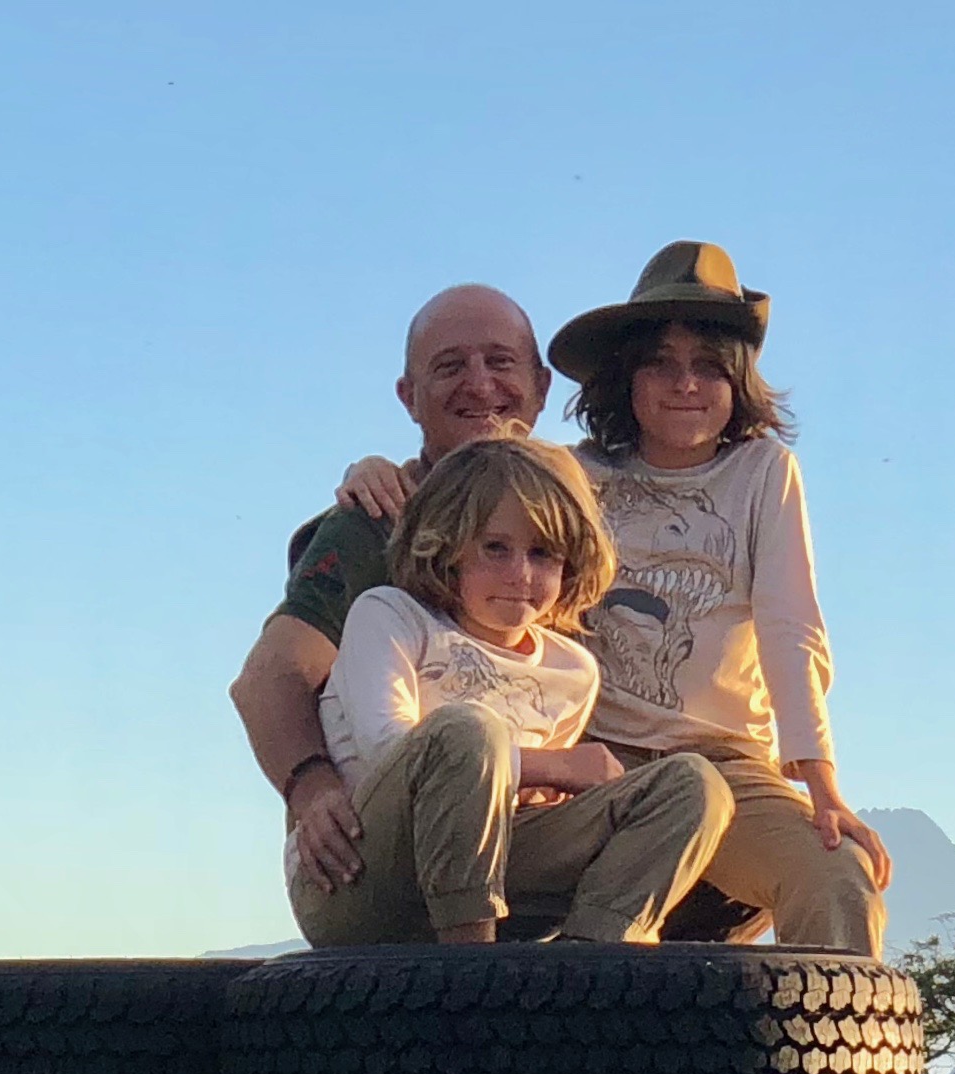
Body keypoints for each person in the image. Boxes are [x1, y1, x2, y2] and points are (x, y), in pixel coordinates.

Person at [337, 244, 890, 955]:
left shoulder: (763, 472)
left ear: (738, 379)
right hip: (590, 754)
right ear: (625, 376)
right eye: (660, 363)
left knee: (837, 876)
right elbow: (475, 486)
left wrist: (821, 785)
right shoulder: (574, 470)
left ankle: (835, 1031)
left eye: (708, 366)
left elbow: (792, 628)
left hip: (721, 759)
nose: (684, 384)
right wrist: (374, 468)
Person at [292, 437, 730, 948]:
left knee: (694, 783)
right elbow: (386, 747)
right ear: (447, 547)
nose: (520, 575)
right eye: (495, 549)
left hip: (502, 868)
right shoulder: (391, 616)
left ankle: (595, 960)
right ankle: (472, 961)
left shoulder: (573, 670)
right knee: (468, 729)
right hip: (358, 876)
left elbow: (533, 802)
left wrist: (543, 786)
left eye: (542, 553)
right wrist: (553, 765)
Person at [232, 285, 550, 906]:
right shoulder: (374, 523)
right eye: (450, 367)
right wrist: (312, 787)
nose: (479, 384)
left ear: (540, 386)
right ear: (409, 397)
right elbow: (269, 677)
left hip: (534, 842)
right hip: (393, 855)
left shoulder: (573, 516)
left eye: (500, 362)